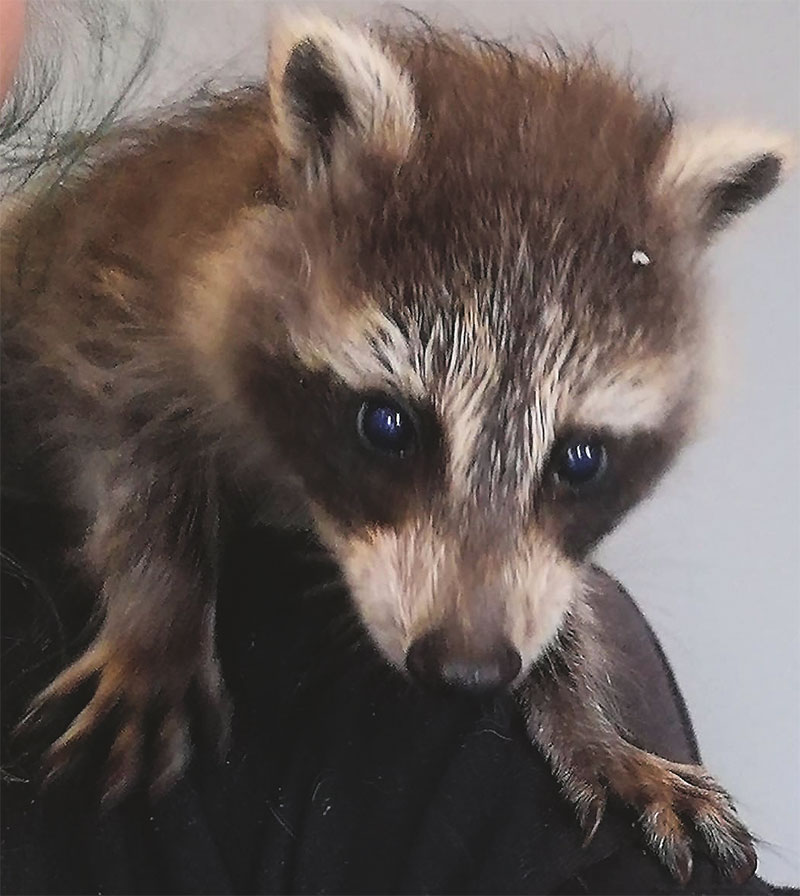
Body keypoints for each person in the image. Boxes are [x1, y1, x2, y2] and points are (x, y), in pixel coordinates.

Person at [0, 8, 790, 894]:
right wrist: (158, 624)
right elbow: (118, 387)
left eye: (577, 464)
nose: (477, 633)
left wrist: (588, 733)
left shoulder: (451, 779)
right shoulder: (161, 269)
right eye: (391, 430)